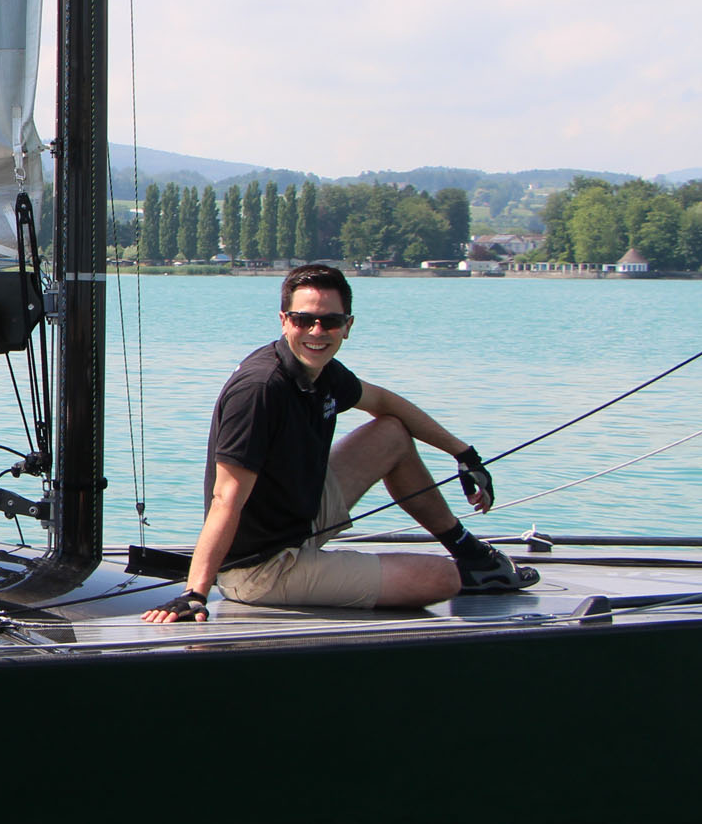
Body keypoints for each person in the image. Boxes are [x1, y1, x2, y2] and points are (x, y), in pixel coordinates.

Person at [144, 263, 537, 624]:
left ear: (347, 326)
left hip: (300, 519)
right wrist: (195, 592)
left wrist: (463, 453)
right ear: (284, 321)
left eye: (329, 322)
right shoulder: (260, 390)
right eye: (304, 320)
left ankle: (472, 554)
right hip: (260, 568)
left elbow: (385, 402)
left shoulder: (322, 372)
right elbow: (225, 498)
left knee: (390, 433)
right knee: (443, 579)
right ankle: (442, 570)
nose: (317, 332)